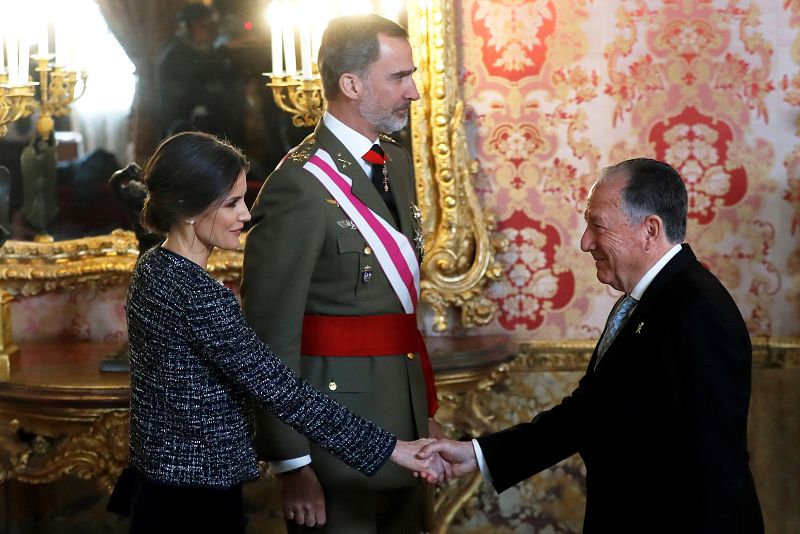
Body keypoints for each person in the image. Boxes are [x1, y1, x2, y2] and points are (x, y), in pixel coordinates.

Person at [106, 131, 444, 533]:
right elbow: (281, 390)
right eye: (232, 203)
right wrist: (393, 449)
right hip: (192, 499)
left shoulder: (153, 269)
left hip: (163, 484)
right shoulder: (197, 293)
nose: (246, 215)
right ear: (189, 209)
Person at [419, 158, 764, 533]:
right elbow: (588, 413)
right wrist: (477, 455)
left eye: (597, 225)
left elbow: (711, 465)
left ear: (650, 230)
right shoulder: (647, 301)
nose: (585, 242)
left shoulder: (696, 310)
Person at [241, 13, 440, 533]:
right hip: (335, 439)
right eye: (399, 77)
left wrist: (423, 412)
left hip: (407, 422)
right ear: (350, 84)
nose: (413, 92)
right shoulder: (299, 185)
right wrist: (293, 465)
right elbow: (268, 341)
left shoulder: (395, 163)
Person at [156, 3, 244, 144]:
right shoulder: (174, 53)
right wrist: (224, 51)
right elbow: (196, 73)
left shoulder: (207, 50)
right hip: (184, 125)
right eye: (203, 26)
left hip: (215, 125)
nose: (210, 31)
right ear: (186, 27)